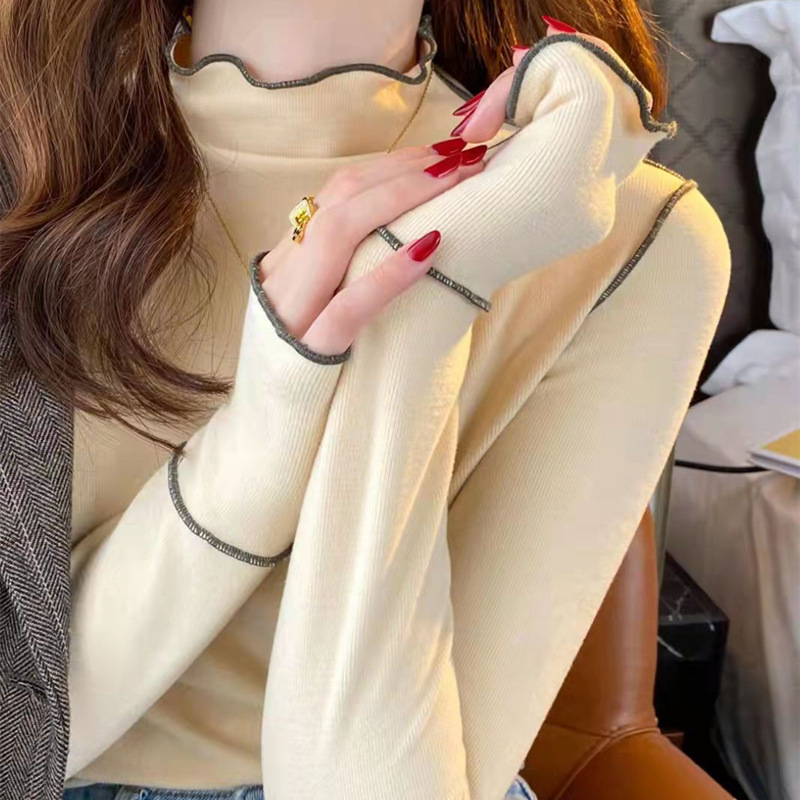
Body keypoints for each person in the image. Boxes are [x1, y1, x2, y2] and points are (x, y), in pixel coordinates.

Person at [0, 1, 731, 799]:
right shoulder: (28, 139)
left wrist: (418, 297)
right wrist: (268, 430)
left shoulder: (625, 227)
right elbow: (19, 741)